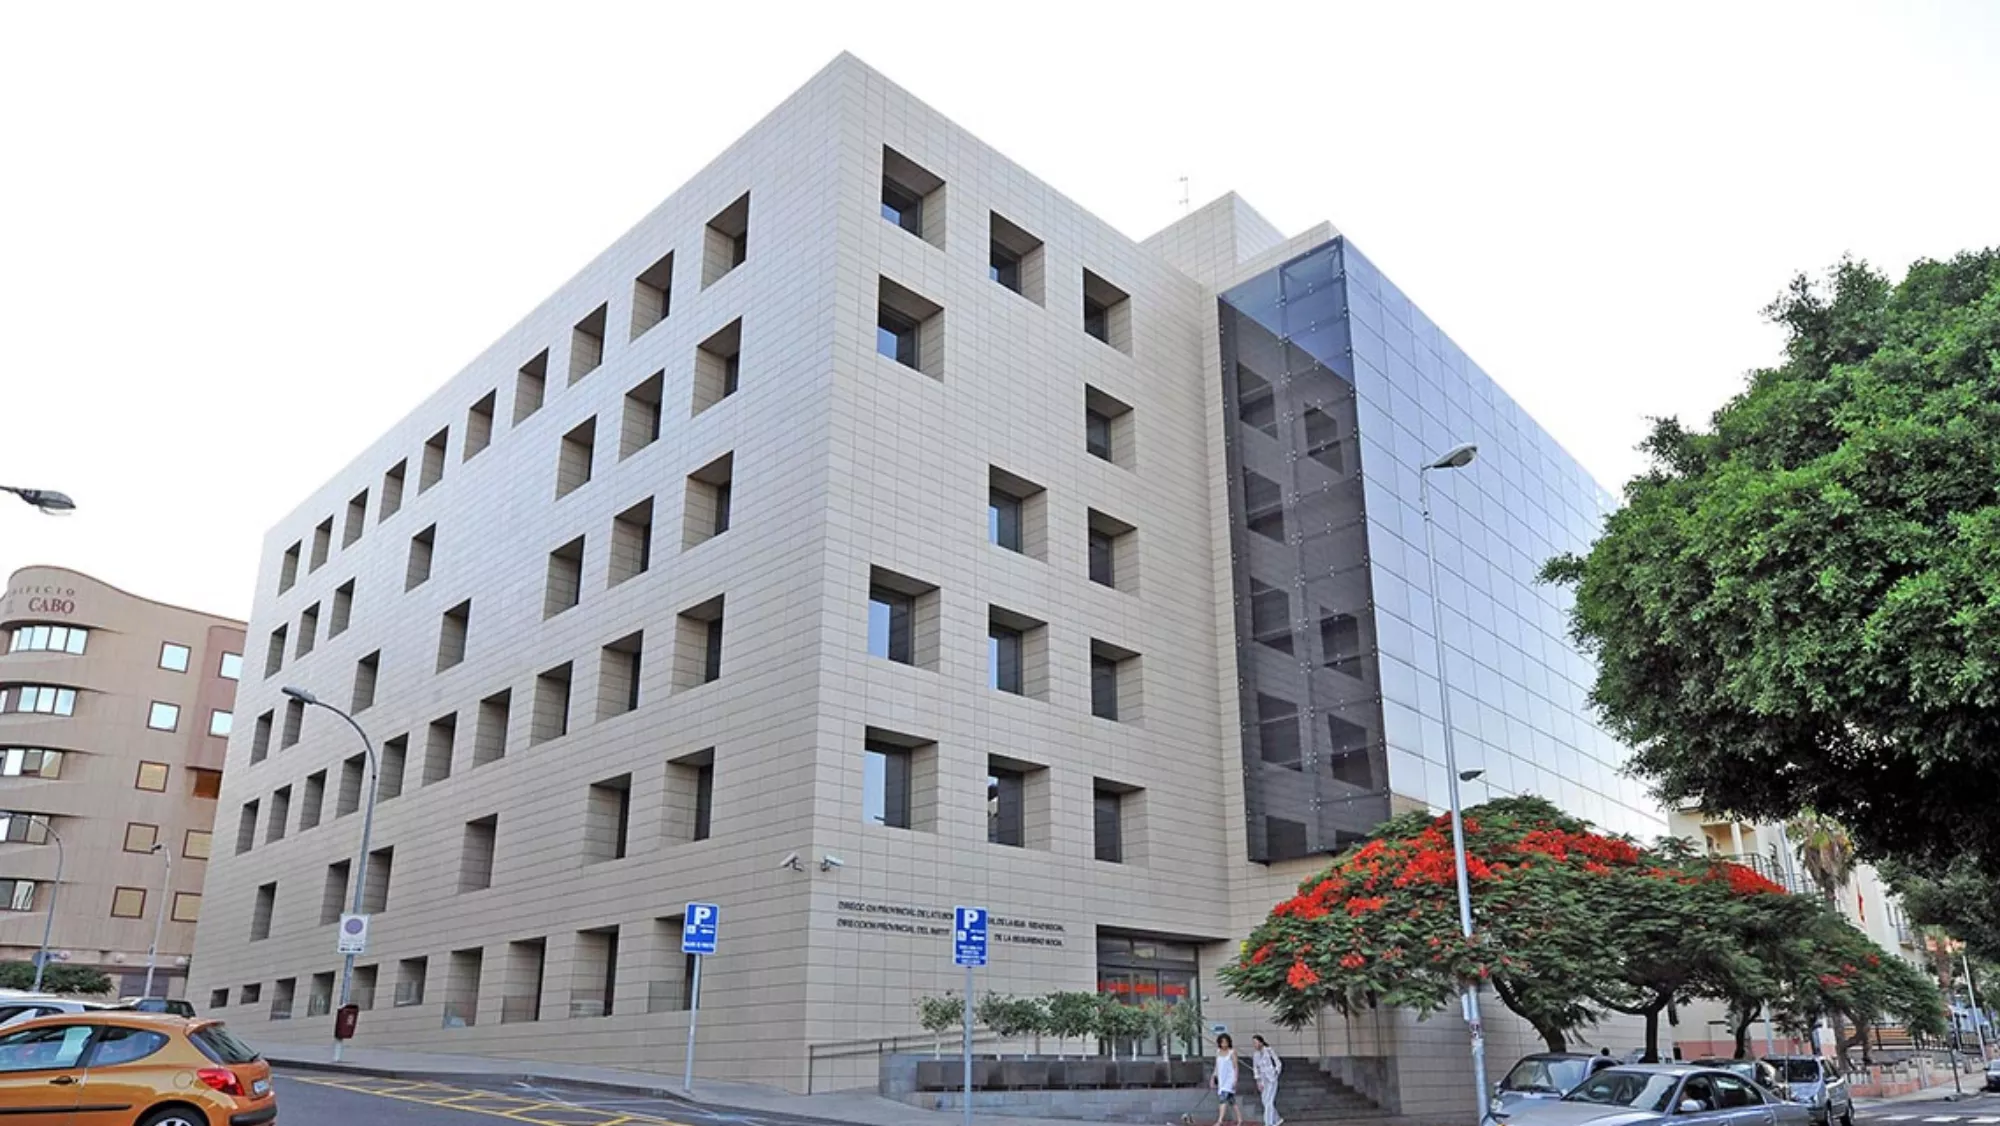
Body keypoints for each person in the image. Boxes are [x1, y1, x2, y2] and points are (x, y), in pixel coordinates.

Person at [1251, 1034, 1284, 1126]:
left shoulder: (1269, 1050)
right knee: (1264, 1100)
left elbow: (1278, 1062)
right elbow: (1255, 1068)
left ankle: (1268, 1123)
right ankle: (1277, 1119)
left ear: (1261, 1042)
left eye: (1255, 1042)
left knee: (1269, 1101)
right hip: (1263, 1080)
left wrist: (1276, 1072)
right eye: (1253, 1043)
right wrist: (1258, 1080)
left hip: (1272, 1078)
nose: (1254, 1044)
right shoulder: (1255, 1054)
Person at [1212, 1033, 1244, 1126]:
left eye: (1226, 1042)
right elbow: (1217, 1066)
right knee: (1231, 1101)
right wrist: (1214, 1076)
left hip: (1229, 1079)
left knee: (1223, 1099)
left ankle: (1220, 1120)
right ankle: (1240, 1119)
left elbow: (1235, 1067)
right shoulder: (1218, 1052)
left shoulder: (1232, 1052)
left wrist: (1235, 1079)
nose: (1224, 1044)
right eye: (1222, 1042)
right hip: (1222, 1079)